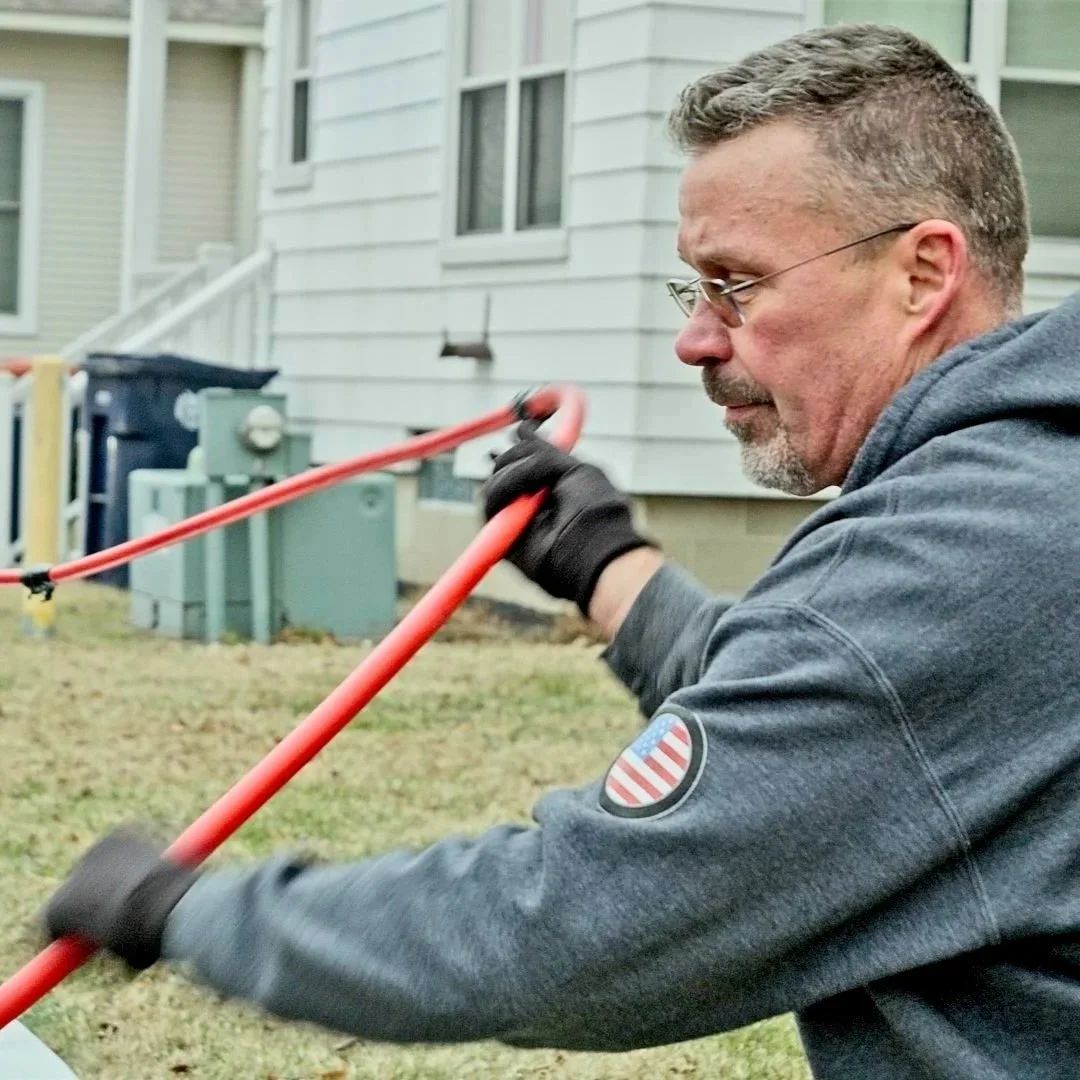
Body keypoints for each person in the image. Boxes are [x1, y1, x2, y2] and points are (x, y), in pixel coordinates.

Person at [41, 22, 1080, 1079]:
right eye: (695, 288)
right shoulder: (1032, 500)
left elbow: (571, 927)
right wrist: (601, 562)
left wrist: (184, 911)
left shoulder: (956, 556)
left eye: (738, 283)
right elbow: (842, 706)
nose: (697, 337)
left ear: (921, 272)